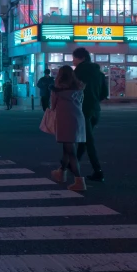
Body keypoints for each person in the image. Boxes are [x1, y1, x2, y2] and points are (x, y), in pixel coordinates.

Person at [49, 65, 87, 191]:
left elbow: (52, 106)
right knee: (67, 147)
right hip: (78, 119)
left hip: (64, 120)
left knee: (71, 151)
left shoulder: (57, 90)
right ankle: (61, 172)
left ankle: (79, 180)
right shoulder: (79, 88)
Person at [72, 47, 108, 182]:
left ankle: (98, 171)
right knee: (84, 139)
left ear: (81, 58)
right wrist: (94, 99)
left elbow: (73, 91)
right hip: (95, 110)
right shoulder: (99, 73)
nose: (73, 60)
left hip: (82, 110)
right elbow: (104, 93)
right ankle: (72, 163)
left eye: (74, 57)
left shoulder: (78, 72)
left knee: (88, 141)